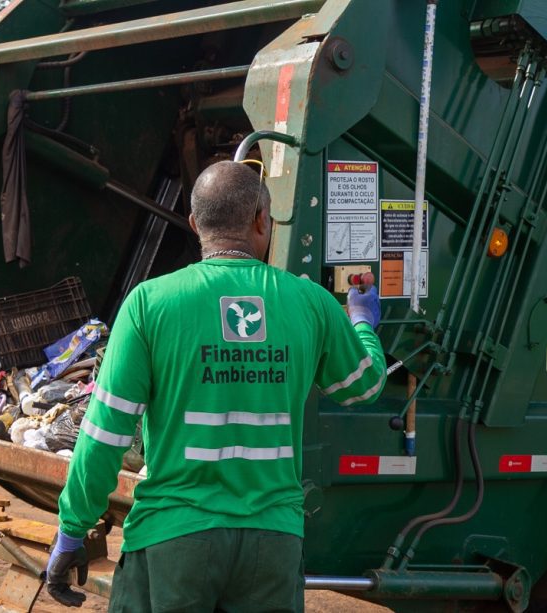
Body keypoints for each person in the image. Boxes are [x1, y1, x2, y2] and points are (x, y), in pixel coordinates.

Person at [46, 161, 387, 612]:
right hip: (272, 546)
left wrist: (73, 528)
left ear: (193, 224)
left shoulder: (150, 303)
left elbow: (104, 433)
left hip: (173, 539)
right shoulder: (311, 303)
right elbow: (364, 386)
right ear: (262, 219)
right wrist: (362, 321)